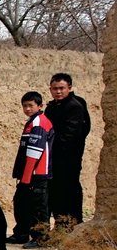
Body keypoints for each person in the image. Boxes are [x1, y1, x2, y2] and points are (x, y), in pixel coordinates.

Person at [44, 73, 91, 228]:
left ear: (69, 88)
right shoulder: (52, 106)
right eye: (55, 88)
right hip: (54, 157)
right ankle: (61, 224)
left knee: (69, 189)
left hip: (68, 157)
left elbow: (71, 135)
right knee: (56, 191)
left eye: (61, 88)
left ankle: (73, 224)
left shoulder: (74, 106)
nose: (58, 91)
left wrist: (52, 148)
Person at [9, 91, 54, 249]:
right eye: (24, 106)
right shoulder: (32, 122)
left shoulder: (39, 123)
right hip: (27, 174)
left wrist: (27, 177)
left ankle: (41, 238)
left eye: (30, 105)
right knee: (21, 203)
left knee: (38, 207)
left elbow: (35, 153)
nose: (27, 108)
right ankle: (21, 233)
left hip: (37, 174)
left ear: (40, 106)